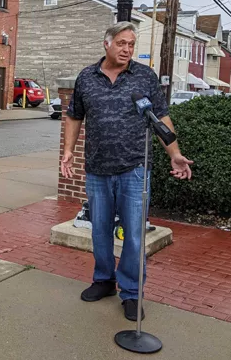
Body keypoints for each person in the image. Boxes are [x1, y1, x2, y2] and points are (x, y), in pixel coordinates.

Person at [61, 22, 193, 322]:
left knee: (134, 235)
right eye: (122, 43)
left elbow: (161, 118)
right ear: (106, 44)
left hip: (134, 169)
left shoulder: (144, 77)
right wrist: (69, 151)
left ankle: (132, 293)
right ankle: (104, 280)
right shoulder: (86, 78)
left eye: (132, 44)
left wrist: (174, 154)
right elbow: (73, 116)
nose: (127, 49)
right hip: (97, 168)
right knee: (100, 230)